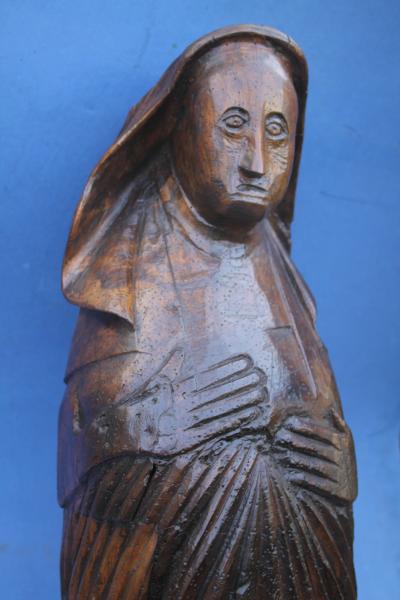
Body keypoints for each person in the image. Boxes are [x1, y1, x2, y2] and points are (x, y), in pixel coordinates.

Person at [59, 25, 357, 599]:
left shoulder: (287, 280)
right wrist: (151, 427)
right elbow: (81, 456)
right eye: (232, 126)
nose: (257, 162)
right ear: (180, 130)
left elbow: (323, 424)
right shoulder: (126, 279)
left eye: (277, 132)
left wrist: (340, 469)